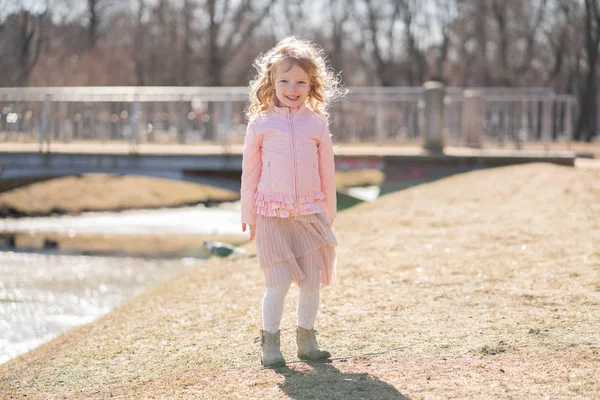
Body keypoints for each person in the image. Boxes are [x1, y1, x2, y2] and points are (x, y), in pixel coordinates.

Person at [241, 36, 343, 367]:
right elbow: (250, 172)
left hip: (311, 212)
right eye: (285, 80)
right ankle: (269, 344)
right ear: (271, 81)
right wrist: (248, 213)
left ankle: (307, 341)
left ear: (311, 83)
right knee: (279, 282)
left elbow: (327, 170)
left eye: (300, 81)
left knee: (312, 280)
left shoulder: (316, 123)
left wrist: (329, 209)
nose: (292, 87)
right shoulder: (260, 123)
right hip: (272, 212)